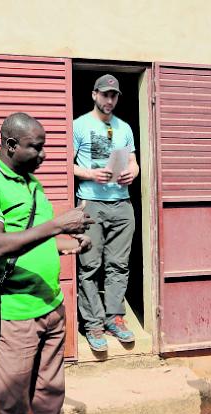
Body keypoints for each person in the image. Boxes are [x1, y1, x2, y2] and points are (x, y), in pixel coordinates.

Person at [0, 112, 93, 414]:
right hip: (17, 316)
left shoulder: (32, 184)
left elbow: (37, 240)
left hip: (51, 307)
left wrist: (70, 244)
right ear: (11, 145)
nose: (43, 154)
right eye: (35, 147)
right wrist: (59, 225)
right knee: (10, 404)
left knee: (49, 396)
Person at [73, 74, 140, 351]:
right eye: (105, 95)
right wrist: (89, 174)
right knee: (90, 266)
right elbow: (65, 164)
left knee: (119, 265)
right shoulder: (79, 125)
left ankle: (115, 317)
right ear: (94, 95)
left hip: (121, 203)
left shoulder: (124, 128)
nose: (109, 100)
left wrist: (131, 174)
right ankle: (93, 324)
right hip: (91, 203)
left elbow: (134, 162)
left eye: (113, 96)